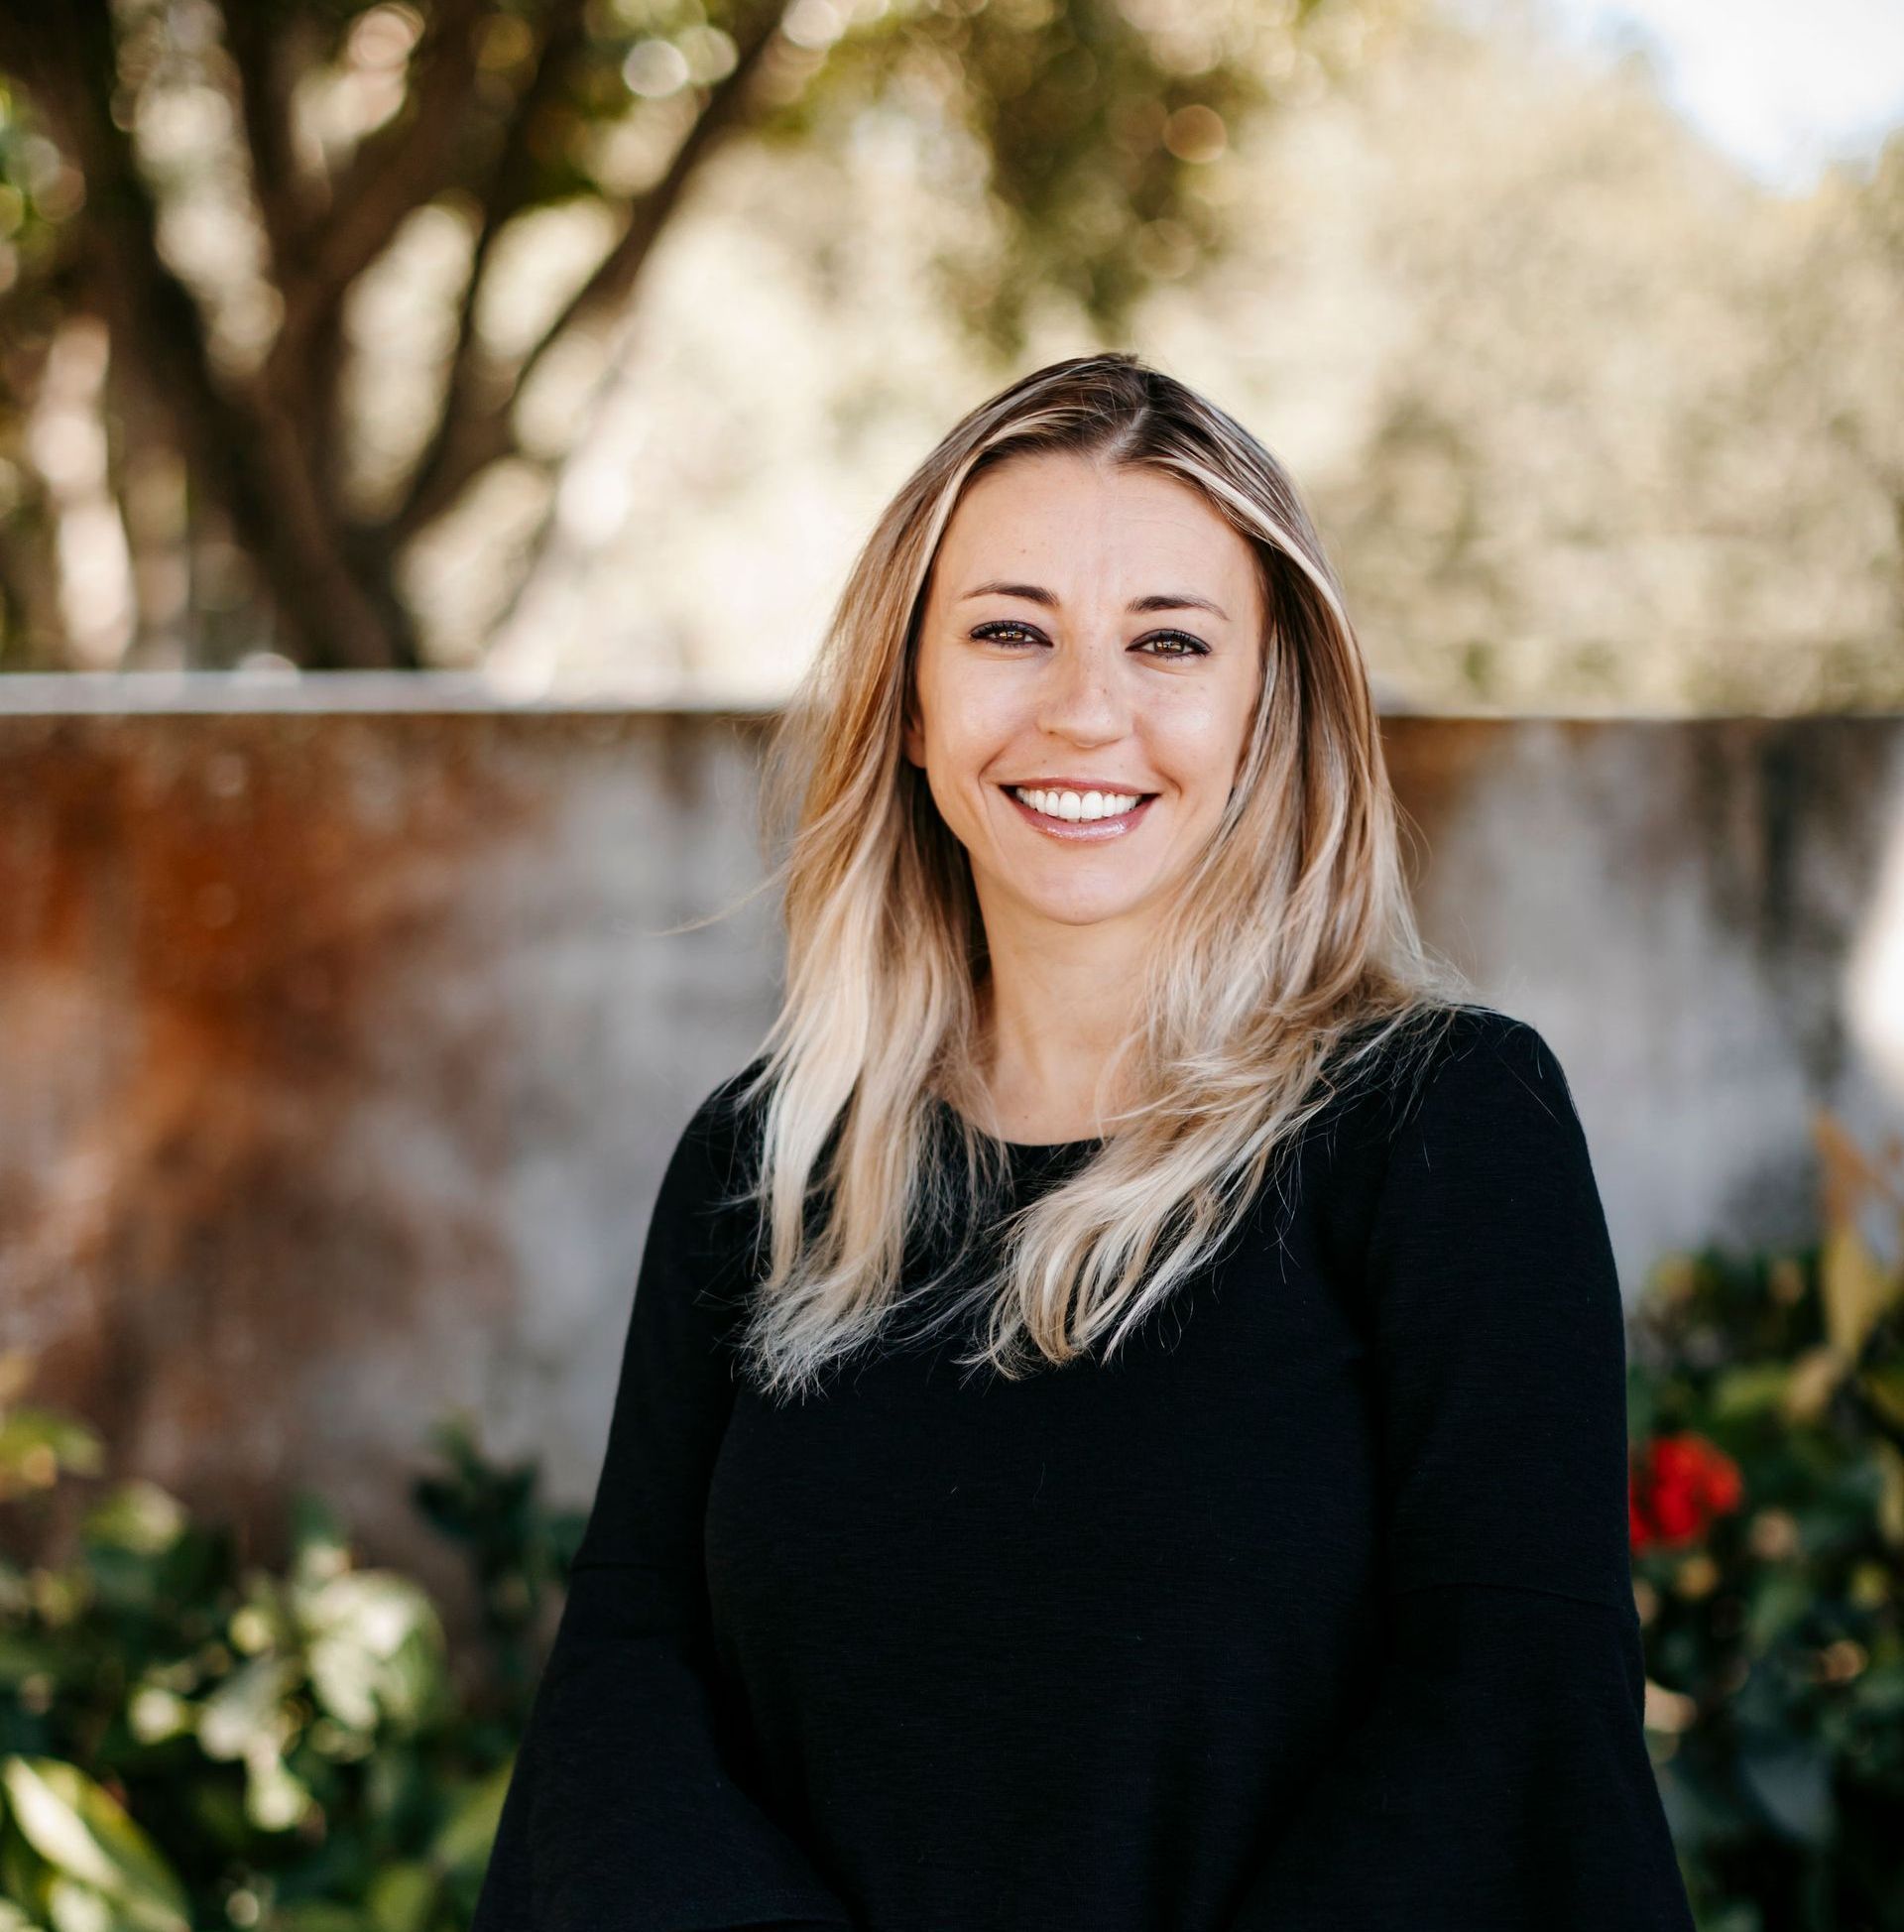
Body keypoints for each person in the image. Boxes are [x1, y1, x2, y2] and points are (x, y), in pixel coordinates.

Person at [470, 352, 1697, 1931]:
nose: (1083, 711)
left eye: (1169, 643)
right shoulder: (763, 1160)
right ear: (910, 703)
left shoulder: (1445, 1130)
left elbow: (1509, 1710)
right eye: (1007, 631)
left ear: (1270, 716)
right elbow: (625, 1694)